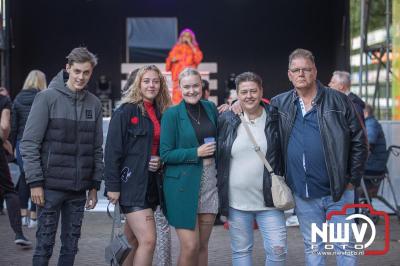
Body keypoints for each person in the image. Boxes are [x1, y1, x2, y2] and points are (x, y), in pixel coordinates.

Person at [270, 48, 367, 266]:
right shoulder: (281, 104)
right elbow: (254, 110)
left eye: (306, 69)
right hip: (304, 195)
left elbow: (360, 141)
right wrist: (234, 105)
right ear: (289, 74)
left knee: (345, 247)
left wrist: (352, 180)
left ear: (315, 71)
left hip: (338, 192)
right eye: (296, 70)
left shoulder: (339, 101)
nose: (301, 74)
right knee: (314, 249)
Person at [20, 47, 104, 266]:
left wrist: (94, 186)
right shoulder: (46, 98)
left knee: (71, 247)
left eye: (86, 72)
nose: (81, 77)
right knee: (44, 246)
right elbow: (29, 144)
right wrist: (35, 182)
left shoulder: (94, 104)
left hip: (78, 190)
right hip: (49, 189)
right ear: (68, 68)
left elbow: (96, 148)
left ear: (91, 72)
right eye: (77, 71)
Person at [105, 65, 172, 266]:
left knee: (132, 240)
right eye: (146, 81)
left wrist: (160, 159)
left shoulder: (162, 112)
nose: (151, 85)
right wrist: (113, 187)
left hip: (153, 184)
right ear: (138, 83)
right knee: (149, 240)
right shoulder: (125, 111)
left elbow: (162, 146)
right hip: (131, 184)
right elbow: (112, 151)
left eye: (155, 81)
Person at [218, 72, 287, 265]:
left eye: (253, 91)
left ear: (261, 91)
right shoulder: (227, 119)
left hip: (270, 200)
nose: (249, 96)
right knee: (241, 252)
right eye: (244, 92)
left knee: (278, 249)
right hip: (236, 202)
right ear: (237, 95)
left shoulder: (275, 117)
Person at [160, 68, 218, 266]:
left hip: (210, 181)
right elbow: (165, 155)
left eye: (195, 86)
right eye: (187, 87)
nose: (192, 90)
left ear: (201, 86)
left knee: (202, 245)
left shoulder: (210, 108)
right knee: (190, 246)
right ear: (179, 88)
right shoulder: (171, 115)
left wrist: (233, 106)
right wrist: (196, 152)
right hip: (182, 185)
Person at [10, 70, 47, 228]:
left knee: (25, 178)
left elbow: (13, 126)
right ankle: (34, 216)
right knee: (37, 178)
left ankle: (23, 213)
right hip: (39, 143)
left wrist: (12, 147)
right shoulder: (44, 98)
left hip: (21, 143)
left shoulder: (18, 98)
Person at [0, 92, 32, 247]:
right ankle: (19, 233)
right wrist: (4, 141)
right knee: (9, 190)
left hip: (20, 141)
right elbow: (5, 125)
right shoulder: (3, 100)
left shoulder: (18, 98)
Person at [166, 28, 203, 104]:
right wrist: (172, 60)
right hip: (177, 77)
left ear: (191, 38)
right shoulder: (176, 48)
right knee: (177, 98)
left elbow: (198, 59)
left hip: (190, 77)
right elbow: (168, 62)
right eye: (184, 36)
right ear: (181, 37)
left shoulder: (194, 48)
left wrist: (191, 45)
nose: (186, 38)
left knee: (191, 95)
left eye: (188, 36)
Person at [363, 104, 387, 175]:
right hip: (374, 163)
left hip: (373, 165)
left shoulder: (371, 123)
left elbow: (370, 142)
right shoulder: (369, 123)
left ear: (366, 113)